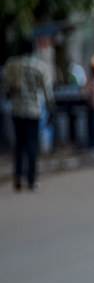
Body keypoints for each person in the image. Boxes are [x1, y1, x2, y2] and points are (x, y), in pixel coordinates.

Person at [2, 38, 55, 192]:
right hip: (33, 111)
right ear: (33, 50)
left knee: (19, 144)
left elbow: (6, 90)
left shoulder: (12, 66)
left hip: (17, 111)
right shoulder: (38, 66)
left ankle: (18, 178)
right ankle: (31, 180)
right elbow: (47, 90)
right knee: (32, 145)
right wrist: (51, 108)